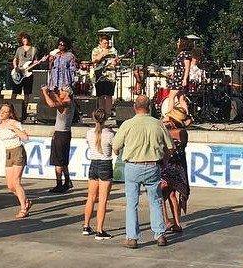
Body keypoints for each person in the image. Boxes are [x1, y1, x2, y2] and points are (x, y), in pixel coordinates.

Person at [111, 95, 174, 248]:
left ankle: (132, 237)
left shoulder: (128, 124)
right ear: (150, 107)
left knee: (132, 203)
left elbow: (115, 146)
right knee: (156, 201)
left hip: (133, 165)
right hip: (153, 165)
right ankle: (160, 234)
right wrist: (164, 160)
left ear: (134, 107)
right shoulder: (158, 124)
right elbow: (170, 148)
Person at [0, 101, 31, 218]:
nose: (2, 113)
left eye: (5, 112)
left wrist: (13, 128)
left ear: (10, 114)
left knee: (16, 181)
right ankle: (26, 201)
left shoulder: (15, 123)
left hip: (17, 150)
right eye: (1, 111)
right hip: (8, 153)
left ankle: (23, 208)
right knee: (10, 185)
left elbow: (25, 137)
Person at [82, 109, 116, 239]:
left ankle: (86, 225)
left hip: (93, 163)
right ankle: (100, 230)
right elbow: (116, 150)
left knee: (90, 197)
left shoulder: (89, 133)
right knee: (102, 200)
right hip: (105, 164)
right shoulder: (109, 134)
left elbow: (90, 145)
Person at [41, 84, 76, 193]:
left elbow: (52, 105)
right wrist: (55, 93)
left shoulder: (66, 103)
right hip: (66, 134)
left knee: (58, 161)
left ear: (67, 93)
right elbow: (58, 101)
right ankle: (67, 180)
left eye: (61, 91)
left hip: (60, 135)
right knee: (63, 160)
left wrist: (45, 93)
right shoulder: (69, 103)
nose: (59, 93)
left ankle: (59, 183)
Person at [160, 112, 190, 234]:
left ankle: (166, 221)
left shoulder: (177, 132)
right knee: (171, 195)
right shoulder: (183, 132)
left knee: (159, 196)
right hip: (179, 168)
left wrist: (162, 124)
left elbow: (165, 134)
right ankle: (177, 224)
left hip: (169, 168)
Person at [90, 34, 120, 118]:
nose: (106, 45)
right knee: (101, 95)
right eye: (104, 43)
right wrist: (103, 53)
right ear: (100, 42)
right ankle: (101, 114)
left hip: (110, 75)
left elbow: (116, 59)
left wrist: (116, 62)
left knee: (109, 95)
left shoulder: (113, 50)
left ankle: (108, 113)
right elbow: (94, 60)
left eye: (107, 43)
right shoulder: (96, 50)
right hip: (99, 75)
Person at [166, 38, 194, 114]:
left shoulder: (186, 54)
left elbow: (187, 67)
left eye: (178, 42)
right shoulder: (181, 54)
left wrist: (185, 79)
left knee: (171, 97)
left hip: (180, 78)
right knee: (181, 99)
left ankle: (169, 115)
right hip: (177, 77)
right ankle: (187, 116)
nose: (177, 43)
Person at [11, 33, 39, 108]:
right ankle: (11, 108)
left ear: (28, 39)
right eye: (23, 39)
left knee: (27, 93)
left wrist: (36, 63)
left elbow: (35, 61)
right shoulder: (19, 49)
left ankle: (25, 110)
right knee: (15, 92)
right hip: (19, 72)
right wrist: (15, 67)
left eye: (25, 38)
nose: (24, 40)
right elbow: (15, 59)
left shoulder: (34, 49)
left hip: (28, 73)